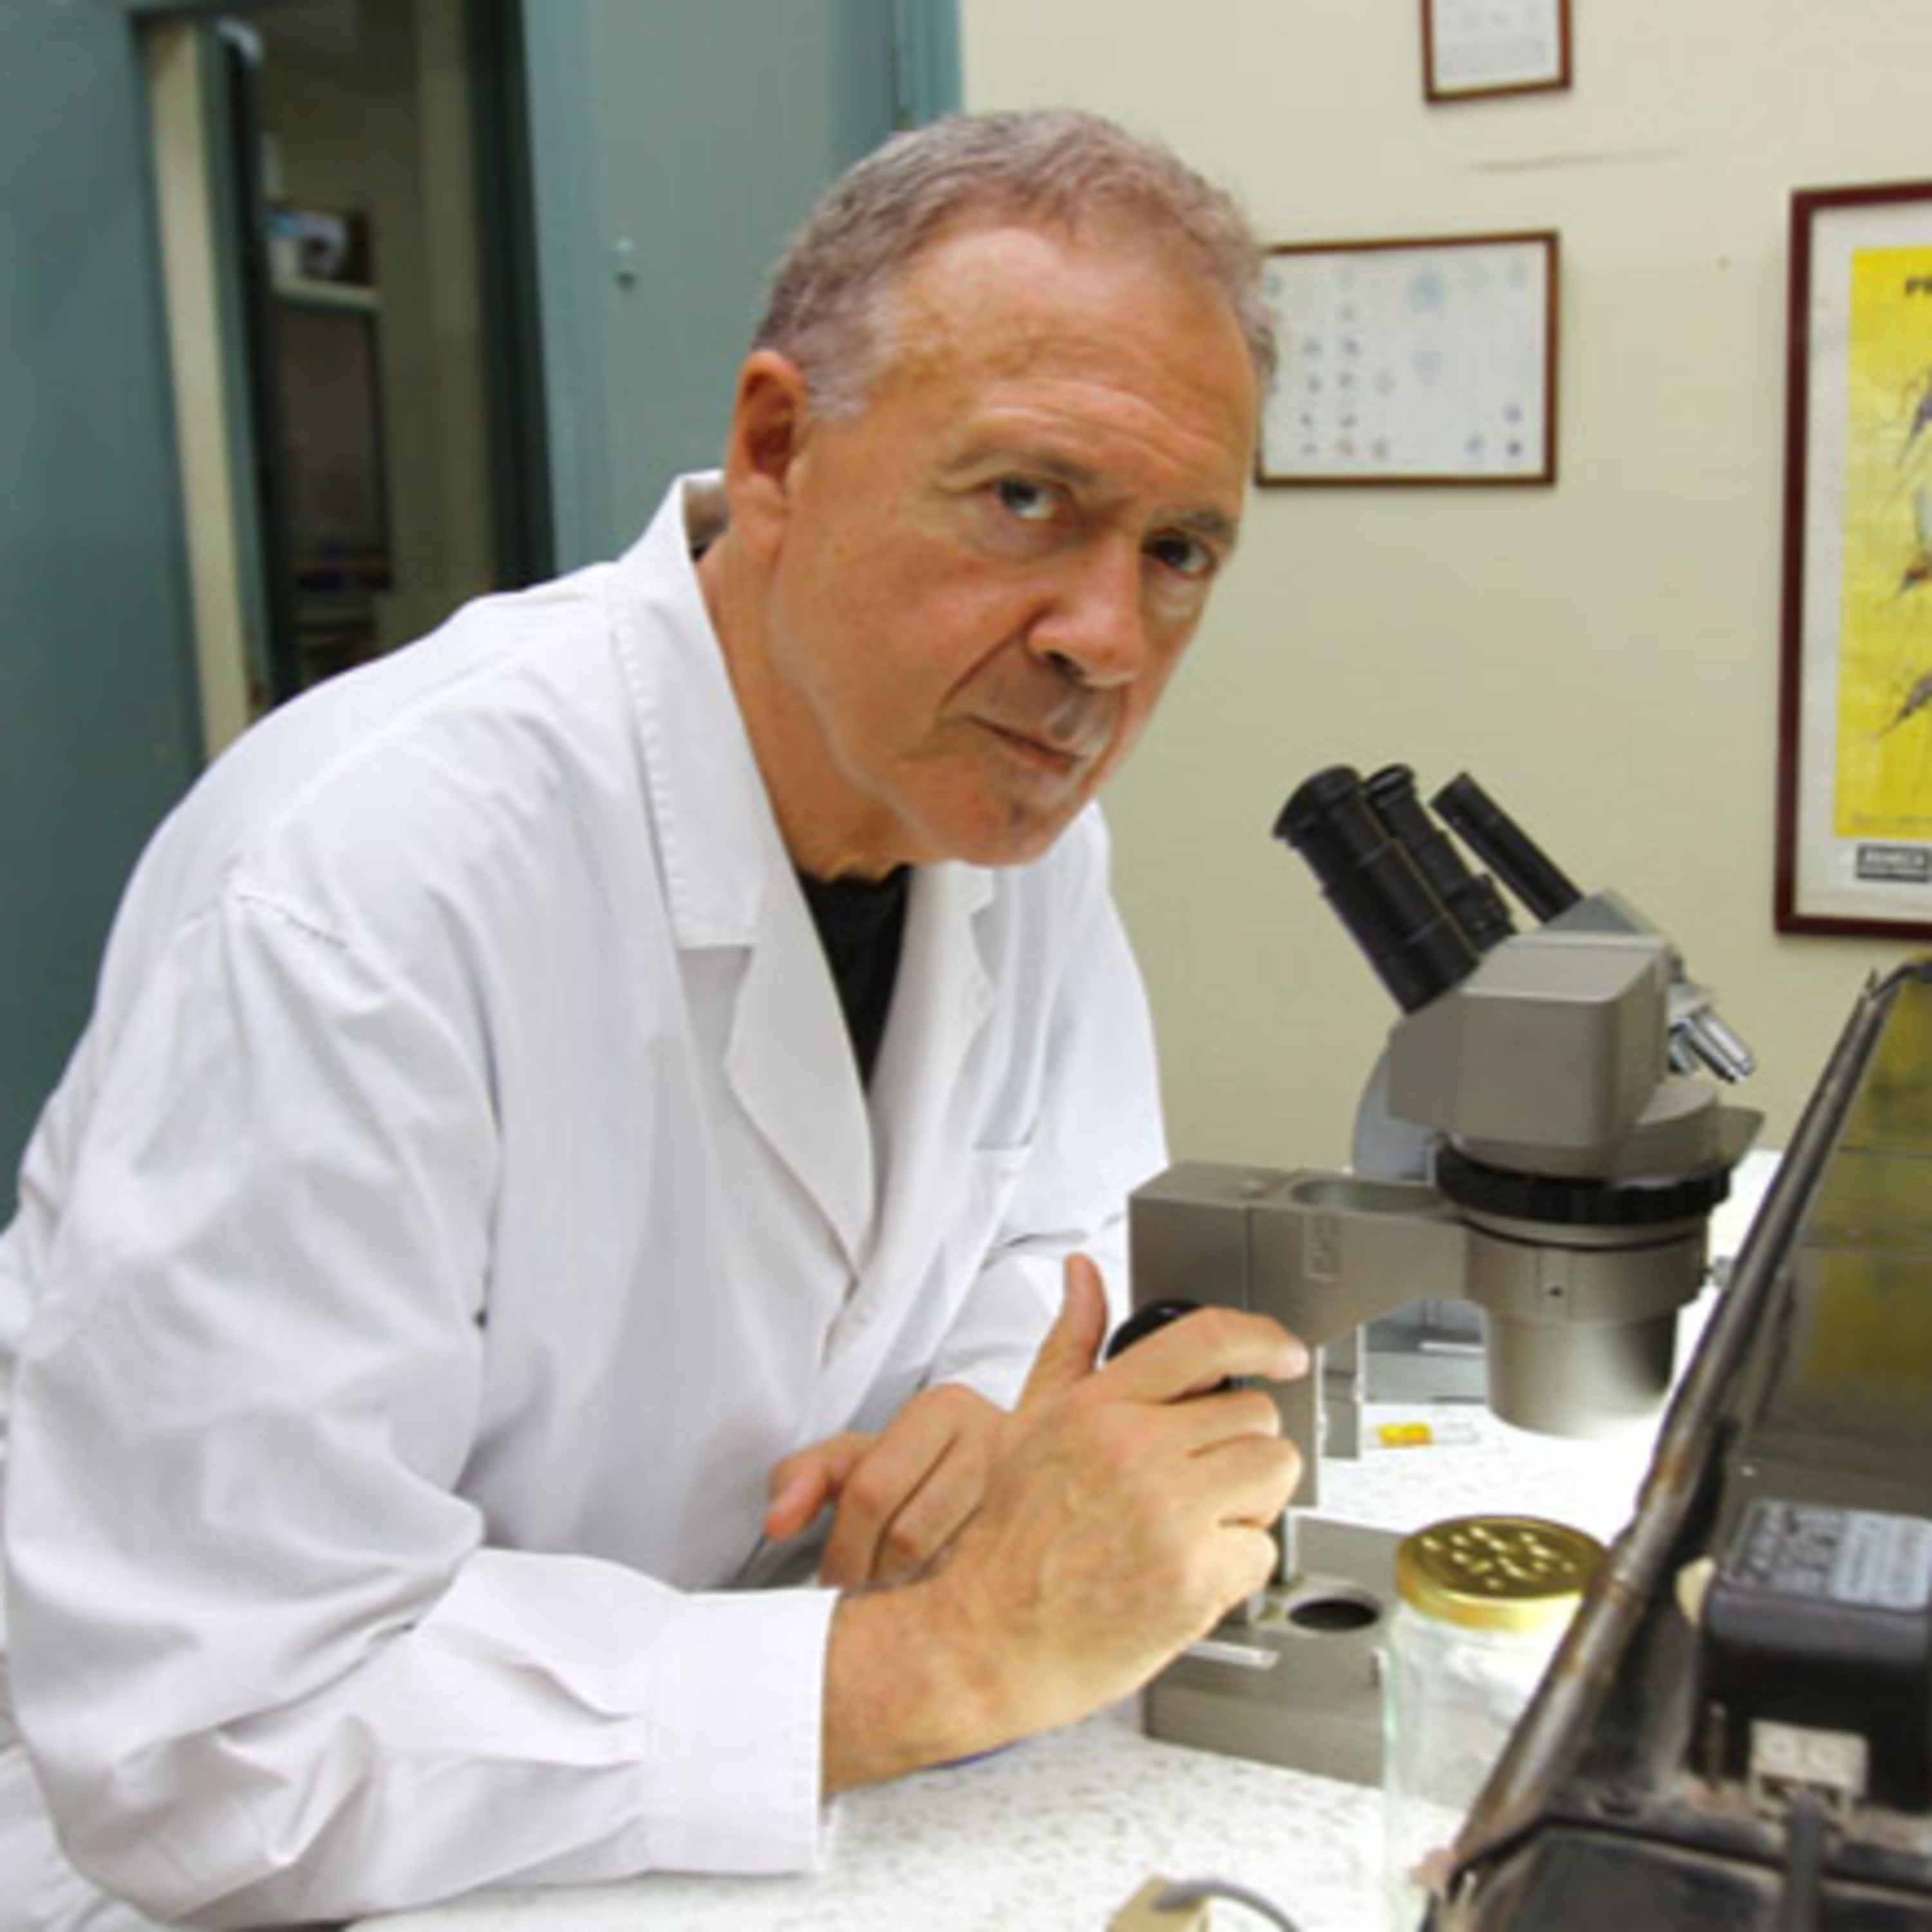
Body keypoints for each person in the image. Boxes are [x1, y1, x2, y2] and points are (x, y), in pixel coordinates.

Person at [0, 109, 1305, 1928]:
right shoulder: (365, 882)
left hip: (675, 1807)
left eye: (1178, 551)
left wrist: (981, 1395)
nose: (1109, 638)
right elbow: (216, 1738)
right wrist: (945, 1659)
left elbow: (1067, 1217)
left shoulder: (1006, 827)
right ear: (778, 450)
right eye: (1028, 499)